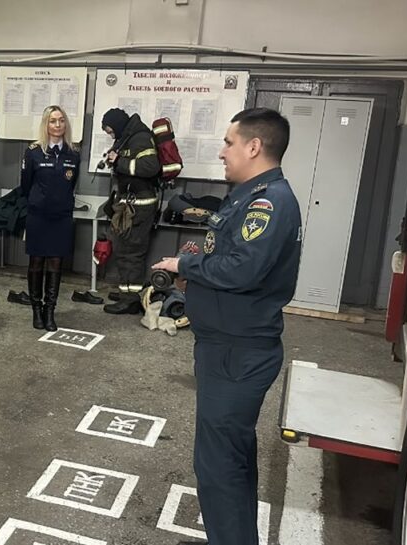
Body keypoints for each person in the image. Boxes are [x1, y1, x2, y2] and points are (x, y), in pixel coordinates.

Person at [152, 108, 301, 545]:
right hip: (225, 347)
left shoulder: (269, 202)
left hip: (238, 352)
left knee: (219, 468)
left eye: (229, 143)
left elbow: (243, 269)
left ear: (254, 147)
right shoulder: (246, 195)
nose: (222, 152)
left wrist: (185, 266)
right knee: (230, 458)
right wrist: (196, 272)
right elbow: (231, 258)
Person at [20, 105, 79, 331]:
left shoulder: (73, 153)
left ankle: (49, 310)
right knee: (36, 262)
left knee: (56, 262)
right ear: (46, 124)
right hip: (38, 215)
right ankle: (36, 309)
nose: (58, 125)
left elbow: (71, 184)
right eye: (53, 121)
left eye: (61, 120)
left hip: (61, 216)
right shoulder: (34, 152)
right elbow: (26, 185)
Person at [99, 108, 161, 315]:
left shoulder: (140, 138)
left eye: (110, 131)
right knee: (123, 249)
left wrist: (119, 161)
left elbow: (150, 167)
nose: (111, 135)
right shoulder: (127, 137)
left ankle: (130, 300)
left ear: (117, 125)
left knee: (131, 252)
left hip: (139, 206)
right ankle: (126, 291)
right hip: (129, 204)